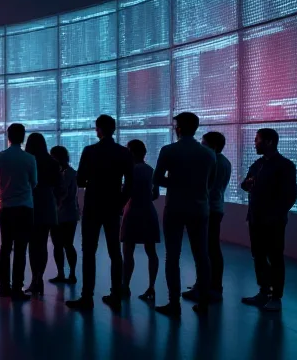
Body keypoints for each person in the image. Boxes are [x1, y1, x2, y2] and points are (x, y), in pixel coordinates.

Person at [152, 112, 216, 316]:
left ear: (178, 128)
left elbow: (158, 178)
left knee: (172, 256)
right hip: (200, 208)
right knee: (202, 256)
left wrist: (177, 182)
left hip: (175, 208)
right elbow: (211, 183)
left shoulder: (169, 150)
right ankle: (204, 302)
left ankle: (174, 303)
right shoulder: (208, 153)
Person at [65, 114, 131, 311]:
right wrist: (120, 202)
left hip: (93, 206)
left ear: (99, 129)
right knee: (115, 253)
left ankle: (87, 297)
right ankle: (116, 295)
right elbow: (129, 184)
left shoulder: (90, 151)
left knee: (89, 252)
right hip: (112, 206)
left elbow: (80, 181)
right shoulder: (123, 153)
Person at [240, 128, 297, 312]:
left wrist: (277, 214)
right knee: (258, 256)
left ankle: (276, 297)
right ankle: (264, 292)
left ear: (269, 142)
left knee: (275, 257)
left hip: (273, 221)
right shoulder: (257, 164)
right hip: (256, 219)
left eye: (257, 140)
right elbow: (244, 184)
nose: (254, 143)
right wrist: (247, 184)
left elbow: (290, 195)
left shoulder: (285, 166)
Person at [0, 123, 37, 302]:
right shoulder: (29, 159)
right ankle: (17, 288)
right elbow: (34, 183)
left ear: (8, 136)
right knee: (21, 249)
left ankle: (4, 287)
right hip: (25, 207)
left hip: (5, 208)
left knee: (5, 247)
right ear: (23, 137)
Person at [120, 140, 160, 303]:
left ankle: (125, 286)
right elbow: (155, 195)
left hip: (132, 211)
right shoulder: (151, 170)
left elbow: (125, 193)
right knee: (151, 252)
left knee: (128, 252)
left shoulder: (130, 171)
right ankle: (151, 287)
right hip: (148, 212)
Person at [24, 132, 62, 298]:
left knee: (33, 245)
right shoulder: (53, 163)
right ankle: (39, 277)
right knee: (43, 244)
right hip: (48, 204)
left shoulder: (28, 161)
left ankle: (34, 279)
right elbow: (60, 187)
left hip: (30, 203)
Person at [201, 131, 231, 302]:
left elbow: (207, 187)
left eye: (203, 143)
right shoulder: (224, 162)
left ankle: (212, 287)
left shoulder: (213, 162)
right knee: (210, 248)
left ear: (213, 146)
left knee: (209, 249)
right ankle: (211, 285)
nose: (201, 146)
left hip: (209, 209)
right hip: (216, 208)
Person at [49, 146, 78, 285]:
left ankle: (62, 273)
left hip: (60, 214)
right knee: (67, 245)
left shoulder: (63, 174)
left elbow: (61, 193)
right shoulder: (71, 172)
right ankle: (71, 274)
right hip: (70, 214)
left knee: (59, 245)